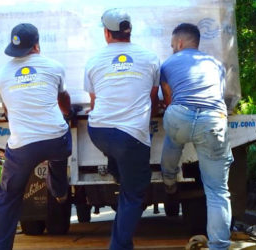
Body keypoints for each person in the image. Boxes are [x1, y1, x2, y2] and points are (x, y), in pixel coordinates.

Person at [0, 23, 73, 250]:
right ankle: (59, 191)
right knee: (59, 155)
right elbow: (63, 99)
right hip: (56, 139)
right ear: (37, 45)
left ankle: (0, 247)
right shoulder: (54, 67)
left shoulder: (1, 75)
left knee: (8, 196)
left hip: (23, 146)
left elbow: (7, 110)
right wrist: (68, 112)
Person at [84, 9, 160, 250]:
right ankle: (119, 246)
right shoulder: (150, 58)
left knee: (119, 154)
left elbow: (94, 103)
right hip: (130, 138)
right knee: (135, 194)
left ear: (107, 33)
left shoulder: (94, 61)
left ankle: (117, 171)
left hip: (98, 132)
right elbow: (152, 99)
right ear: (129, 31)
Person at [160, 23, 233, 250]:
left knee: (173, 138)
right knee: (217, 190)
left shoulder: (168, 63)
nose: (172, 49)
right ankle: (219, 245)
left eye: (173, 45)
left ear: (180, 43)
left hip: (180, 117)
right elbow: (219, 96)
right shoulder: (216, 64)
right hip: (213, 121)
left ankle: (169, 180)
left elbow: (169, 99)